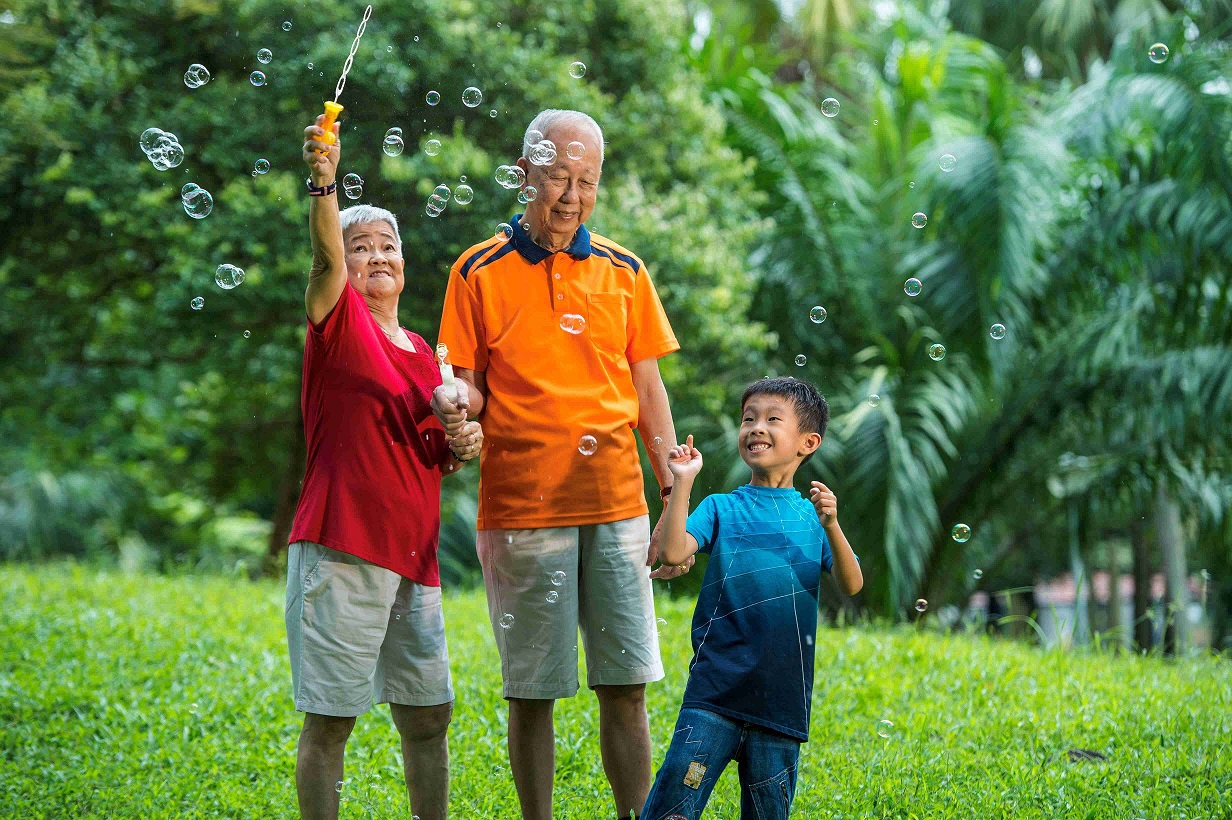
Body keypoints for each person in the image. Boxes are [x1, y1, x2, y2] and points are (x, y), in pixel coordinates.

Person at [432, 108, 690, 820]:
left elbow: (648, 391)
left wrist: (673, 497)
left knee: (627, 684)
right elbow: (469, 383)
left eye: (586, 181)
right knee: (533, 691)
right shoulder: (475, 271)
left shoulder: (625, 270)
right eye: (556, 178)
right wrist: (456, 400)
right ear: (524, 175)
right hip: (523, 506)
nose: (570, 196)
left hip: (616, 502)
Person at [284, 113, 482, 820]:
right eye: (359, 246)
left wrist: (464, 442)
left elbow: (439, 455)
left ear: (405, 262)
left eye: (388, 245)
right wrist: (324, 181)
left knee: (430, 716)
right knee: (332, 721)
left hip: (415, 558)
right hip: (344, 545)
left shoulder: (426, 352)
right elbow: (324, 261)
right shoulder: (337, 321)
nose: (375, 256)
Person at [641, 377, 863, 820]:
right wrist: (682, 482)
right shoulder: (721, 507)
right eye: (749, 418)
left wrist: (833, 525)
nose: (756, 427)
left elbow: (851, 582)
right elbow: (670, 552)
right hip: (714, 694)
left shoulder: (813, 518)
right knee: (671, 810)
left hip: (781, 705)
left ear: (808, 442)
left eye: (772, 419)